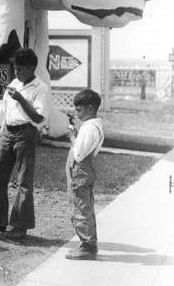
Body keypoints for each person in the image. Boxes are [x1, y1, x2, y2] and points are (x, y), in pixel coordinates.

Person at [0, 48, 49, 241]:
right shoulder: (14, 83)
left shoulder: (41, 88)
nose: (16, 73)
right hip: (8, 132)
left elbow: (39, 118)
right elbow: (8, 110)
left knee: (24, 181)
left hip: (26, 134)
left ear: (32, 68)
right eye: (14, 69)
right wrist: (1, 131)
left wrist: (21, 99)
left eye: (20, 69)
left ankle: (19, 226)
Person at [65, 88, 104, 260]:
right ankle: (89, 243)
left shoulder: (88, 128)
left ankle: (87, 247)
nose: (77, 113)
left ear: (90, 108)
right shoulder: (96, 125)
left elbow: (79, 153)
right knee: (86, 206)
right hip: (86, 169)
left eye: (79, 109)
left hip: (80, 169)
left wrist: (73, 136)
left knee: (80, 207)